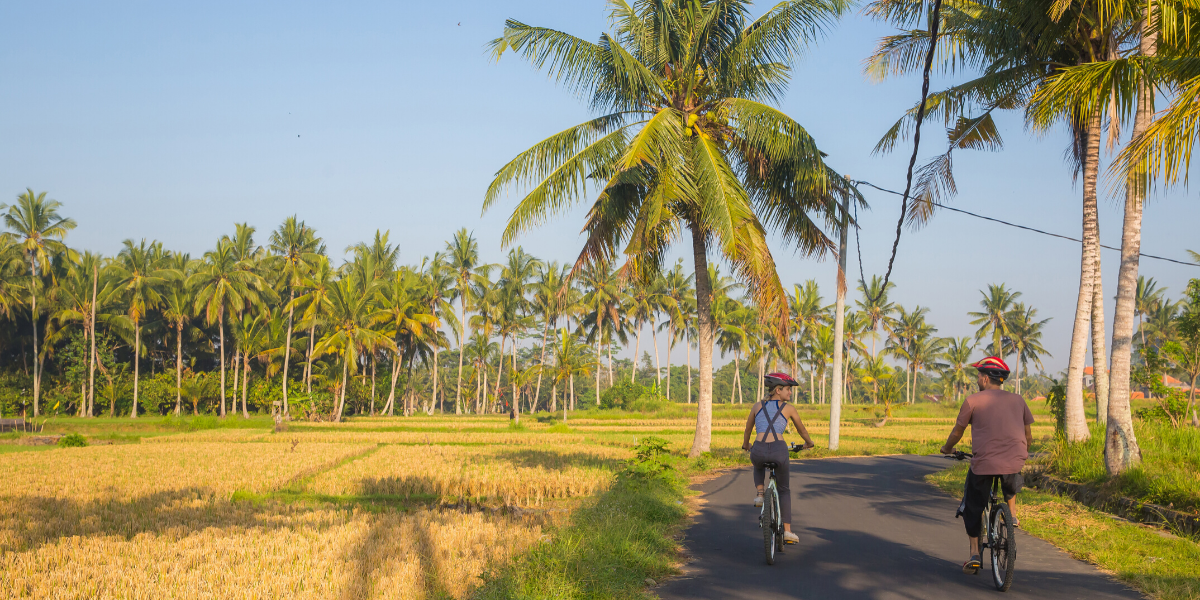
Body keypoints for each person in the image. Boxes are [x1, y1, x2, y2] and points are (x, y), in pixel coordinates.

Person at [939, 356, 1034, 575]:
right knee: (1011, 476)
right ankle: (1012, 515)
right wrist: (1023, 452)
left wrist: (947, 448)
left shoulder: (973, 400)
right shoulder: (1019, 400)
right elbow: (1028, 435)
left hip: (984, 463)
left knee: (972, 505)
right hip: (1014, 459)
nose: (977, 380)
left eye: (978, 376)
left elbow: (958, 431)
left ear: (984, 378)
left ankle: (974, 554)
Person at [741, 372, 815, 545]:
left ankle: (760, 494)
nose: (790, 393)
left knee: (757, 462)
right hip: (779, 450)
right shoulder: (789, 409)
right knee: (784, 490)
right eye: (788, 389)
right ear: (778, 390)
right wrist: (809, 443)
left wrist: (746, 445)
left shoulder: (757, 406)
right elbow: (802, 430)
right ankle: (787, 531)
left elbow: (748, 430)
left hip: (758, 448)